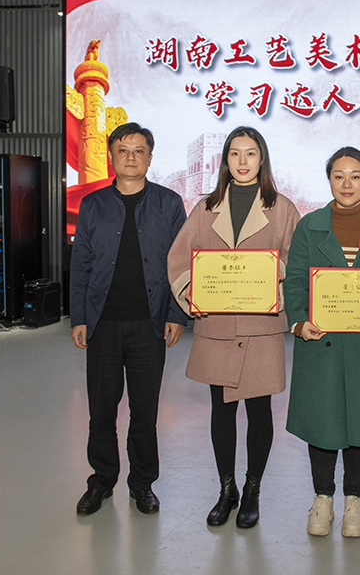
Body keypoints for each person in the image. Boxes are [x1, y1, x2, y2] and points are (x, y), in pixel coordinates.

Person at [167, 126, 300, 528]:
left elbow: (297, 262)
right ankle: (227, 491)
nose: (243, 161)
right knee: (221, 412)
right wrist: (191, 292)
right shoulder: (206, 208)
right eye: (235, 154)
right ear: (225, 160)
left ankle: (252, 491)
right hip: (218, 325)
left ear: (262, 159)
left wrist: (274, 277)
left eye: (251, 153)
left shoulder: (282, 209)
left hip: (261, 327)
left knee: (260, 412)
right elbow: (179, 257)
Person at [284, 147, 360, 538]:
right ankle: (323, 497)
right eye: (339, 176)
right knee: (322, 421)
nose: (347, 184)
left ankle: (355, 500)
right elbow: (296, 280)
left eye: (355, 176)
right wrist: (299, 322)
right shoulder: (310, 226)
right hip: (320, 341)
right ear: (329, 180)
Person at [70, 122, 188, 515]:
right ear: (111, 157)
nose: (131, 157)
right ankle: (101, 481)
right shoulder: (93, 205)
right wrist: (78, 317)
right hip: (102, 324)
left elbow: (180, 265)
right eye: (123, 150)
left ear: (150, 158)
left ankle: (142, 484)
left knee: (144, 411)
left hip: (149, 325)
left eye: (139, 150)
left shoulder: (169, 203)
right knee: (102, 409)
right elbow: (81, 264)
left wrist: (176, 314)